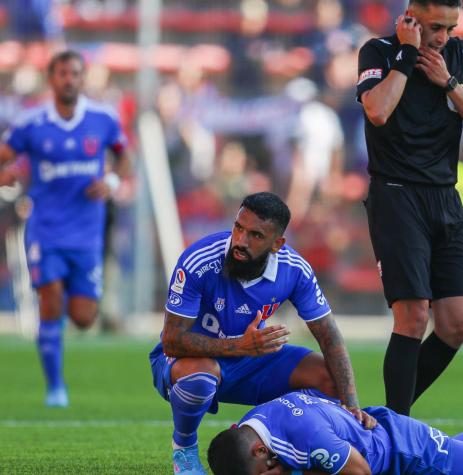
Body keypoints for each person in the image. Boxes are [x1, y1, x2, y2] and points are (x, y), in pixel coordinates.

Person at [149, 192, 369, 474]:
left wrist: (350, 405)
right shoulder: (199, 260)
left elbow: (329, 336)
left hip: (251, 358)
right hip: (187, 360)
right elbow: (172, 341)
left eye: (255, 235)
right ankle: (184, 450)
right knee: (200, 376)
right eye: (238, 228)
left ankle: (292, 454)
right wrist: (241, 346)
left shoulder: (295, 270)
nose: (240, 241)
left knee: (327, 376)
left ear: (277, 244)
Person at [357, 0, 463, 416]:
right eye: (436, 27)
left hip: (445, 197)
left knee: (457, 324)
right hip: (397, 195)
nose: (443, 37)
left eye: (450, 28)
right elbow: (378, 111)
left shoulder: (460, 56)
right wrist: (405, 55)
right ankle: (396, 434)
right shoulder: (378, 51)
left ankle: (385, 421)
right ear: (411, 18)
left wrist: (449, 83)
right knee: (414, 317)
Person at [0, 50, 131, 408]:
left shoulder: (103, 119)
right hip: (46, 228)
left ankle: (65, 332)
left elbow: (124, 156)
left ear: (82, 78)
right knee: (50, 300)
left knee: (84, 317)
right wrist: (7, 177)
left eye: (75, 74)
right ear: (51, 79)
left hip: (87, 232)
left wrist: (113, 181)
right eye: (62, 74)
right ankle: (55, 387)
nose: (69, 80)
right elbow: (4, 157)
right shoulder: (31, 123)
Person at [206, 390, 463, 475]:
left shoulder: (302, 437)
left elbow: (357, 473)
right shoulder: (253, 424)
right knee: (462, 450)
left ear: (261, 453)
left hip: (399, 452)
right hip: (385, 436)